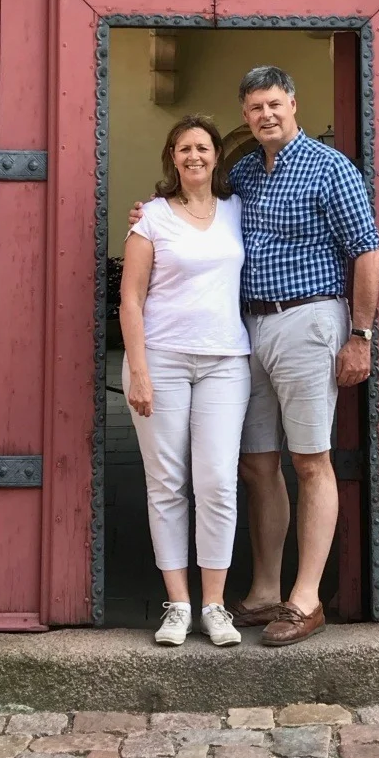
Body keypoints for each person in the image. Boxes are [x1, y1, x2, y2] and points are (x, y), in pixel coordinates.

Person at [131, 66, 379, 647]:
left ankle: (305, 598)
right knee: (257, 463)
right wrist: (148, 218)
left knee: (310, 460)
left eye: (274, 103)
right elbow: (197, 212)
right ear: (244, 116)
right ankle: (266, 588)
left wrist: (360, 336)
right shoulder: (243, 172)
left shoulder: (330, 167)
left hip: (308, 319)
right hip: (248, 331)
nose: (265, 115)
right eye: (254, 108)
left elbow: (367, 251)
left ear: (293, 103)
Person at [119, 114, 252, 648]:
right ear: (171, 158)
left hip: (225, 361)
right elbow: (130, 298)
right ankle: (178, 603)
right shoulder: (150, 216)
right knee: (167, 484)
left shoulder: (238, 210)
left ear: (217, 155)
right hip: (162, 359)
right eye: (183, 148)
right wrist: (139, 372)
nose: (193, 156)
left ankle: (215, 605)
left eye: (202, 147)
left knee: (217, 481)